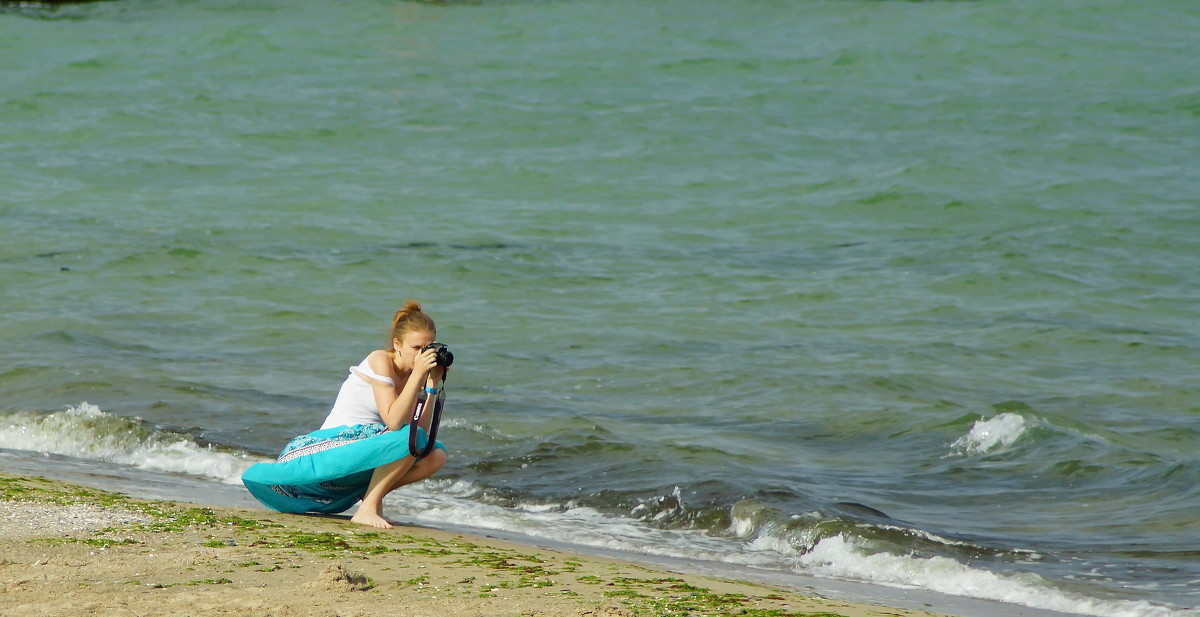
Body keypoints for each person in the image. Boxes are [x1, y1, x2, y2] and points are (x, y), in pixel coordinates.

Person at [242, 300, 449, 529]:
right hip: (330, 450)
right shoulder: (380, 360)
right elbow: (393, 420)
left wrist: (431, 384)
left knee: (435, 453)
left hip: (360, 451)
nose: (423, 355)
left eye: (428, 348)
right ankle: (368, 507)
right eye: (417, 348)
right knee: (409, 438)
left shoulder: (414, 375)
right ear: (397, 344)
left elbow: (421, 429)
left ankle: (370, 496)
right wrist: (417, 376)